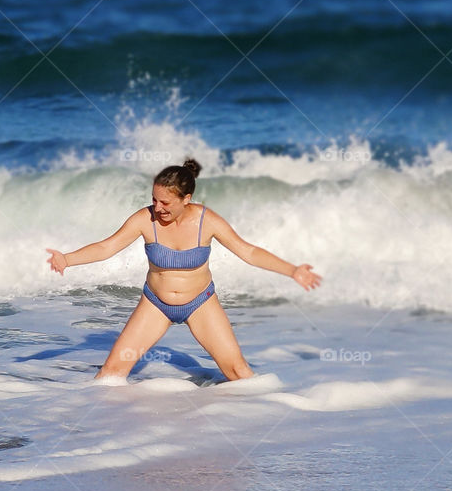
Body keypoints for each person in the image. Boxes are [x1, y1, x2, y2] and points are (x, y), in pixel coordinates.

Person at [46, 158, 322, 381]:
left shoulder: (207, 221)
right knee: (111, 375)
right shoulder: (145, 219)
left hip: (200, 303)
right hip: (155, 304)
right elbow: (108, 247)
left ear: (186, 199)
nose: (157, 207)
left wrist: (293, 270)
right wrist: (67, 259)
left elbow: (247, 251)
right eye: (154, 199)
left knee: (239, 375)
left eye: (165, 202)